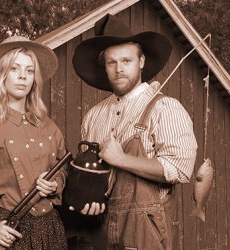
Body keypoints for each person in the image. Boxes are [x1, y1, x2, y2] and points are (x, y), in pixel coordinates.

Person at [71, 14, 198, 249]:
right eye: (112, 62)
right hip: (97, 231)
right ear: (104, 66)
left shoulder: (164, 107)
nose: (119, 69)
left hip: (144, 230)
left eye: (126, 61)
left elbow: (179, 169)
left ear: (141, 62)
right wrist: (88, 201)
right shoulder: (93, 116)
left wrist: (122, 159)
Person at [0, 35, 68, 250]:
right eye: (15, 69)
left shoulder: (50, 127)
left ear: (35, 78)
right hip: (6, 229)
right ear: (2, 75)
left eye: (29, 70)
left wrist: (55, 184)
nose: (22, 77)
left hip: (50, 229)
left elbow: (62, 169)